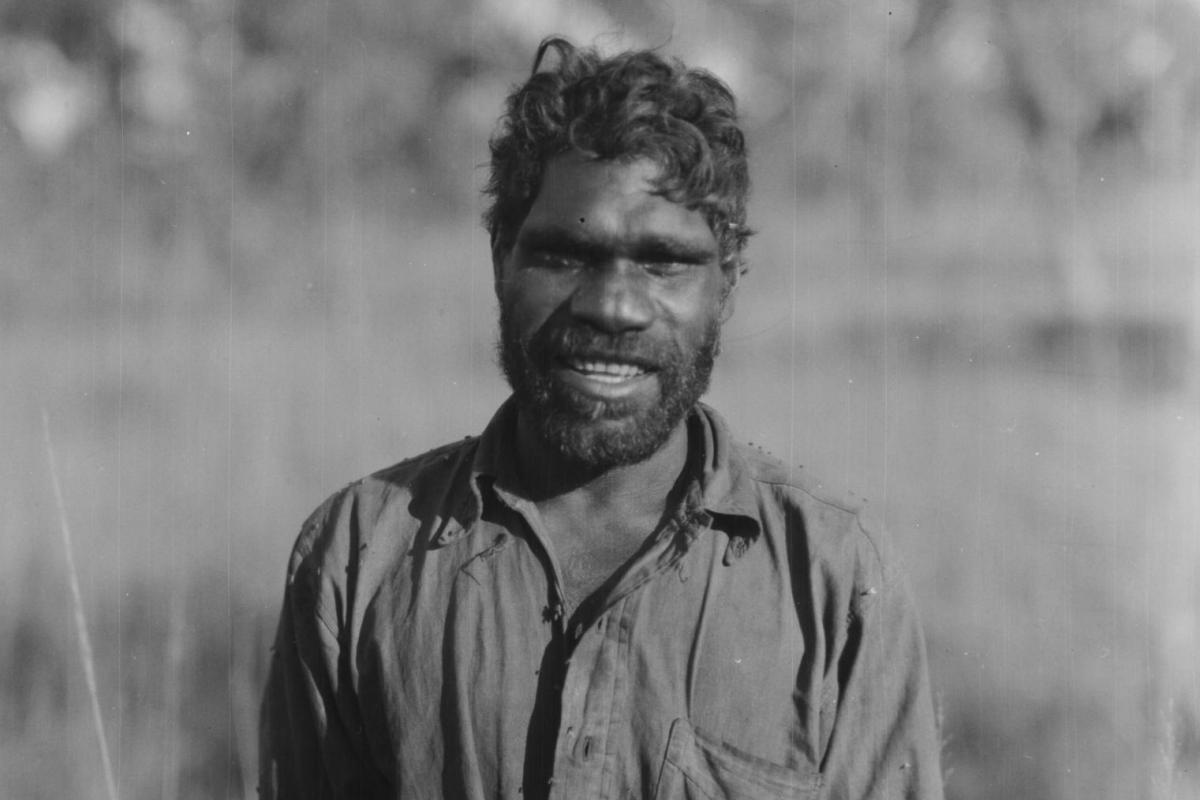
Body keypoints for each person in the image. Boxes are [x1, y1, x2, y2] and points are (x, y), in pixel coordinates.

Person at [259, 37, 944, 800]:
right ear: (500, 263)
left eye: (663, 262)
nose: (612, 306)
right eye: (562, 256)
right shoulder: (359, 556)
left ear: (727, 286)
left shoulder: (835, 572)